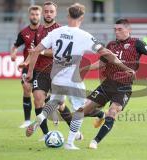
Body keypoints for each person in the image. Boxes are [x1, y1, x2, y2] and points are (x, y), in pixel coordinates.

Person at [24, 3, 135, 150]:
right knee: (81, 110)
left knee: (56, 101)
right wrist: (126, 68)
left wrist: (30, 72)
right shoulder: (85, 36)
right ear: (82, 17)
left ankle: (41, 117)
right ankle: (69, 143)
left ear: (68, 16)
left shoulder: (56, 32)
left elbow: (35, 51)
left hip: (56, 77)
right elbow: (107, 54)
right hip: (73, 79)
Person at [78, 18, 147, 149]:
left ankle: (95, 141)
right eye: (115, 30)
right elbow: (101, 63)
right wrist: (84, 69)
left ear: (128, 30)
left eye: (120, 29)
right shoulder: (111, 45)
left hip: (123, 86)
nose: (117, 32)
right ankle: (100, 115)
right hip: (107, 84)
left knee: (113, 111)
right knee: (84, 111)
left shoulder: (137, 43)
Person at [20, 1, 77, 141]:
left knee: (60, 105)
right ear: (43, 13)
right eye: (46, 11)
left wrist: (42, 50)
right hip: (40, 71)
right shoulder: (37, 31)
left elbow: (60, 53)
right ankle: (46, 134)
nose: (48, 14)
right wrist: (30, 70)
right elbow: (34, 52)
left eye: (51, 11)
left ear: (55, 13)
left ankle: (74, 131)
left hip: (58, 72)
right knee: (38, 99)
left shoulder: (61, 31)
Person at [10, 5, 43, 129]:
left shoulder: (44, 31)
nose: (34, 17)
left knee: (40, 95)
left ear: (40, 16)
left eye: (37, 14)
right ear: (29, 16)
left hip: (42, 66)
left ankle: (44, 117)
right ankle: (27, 120)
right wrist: (13, 53)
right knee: (26, 88)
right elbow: (15, 46)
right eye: (33, 14)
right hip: (27, 65)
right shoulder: (24, 32)